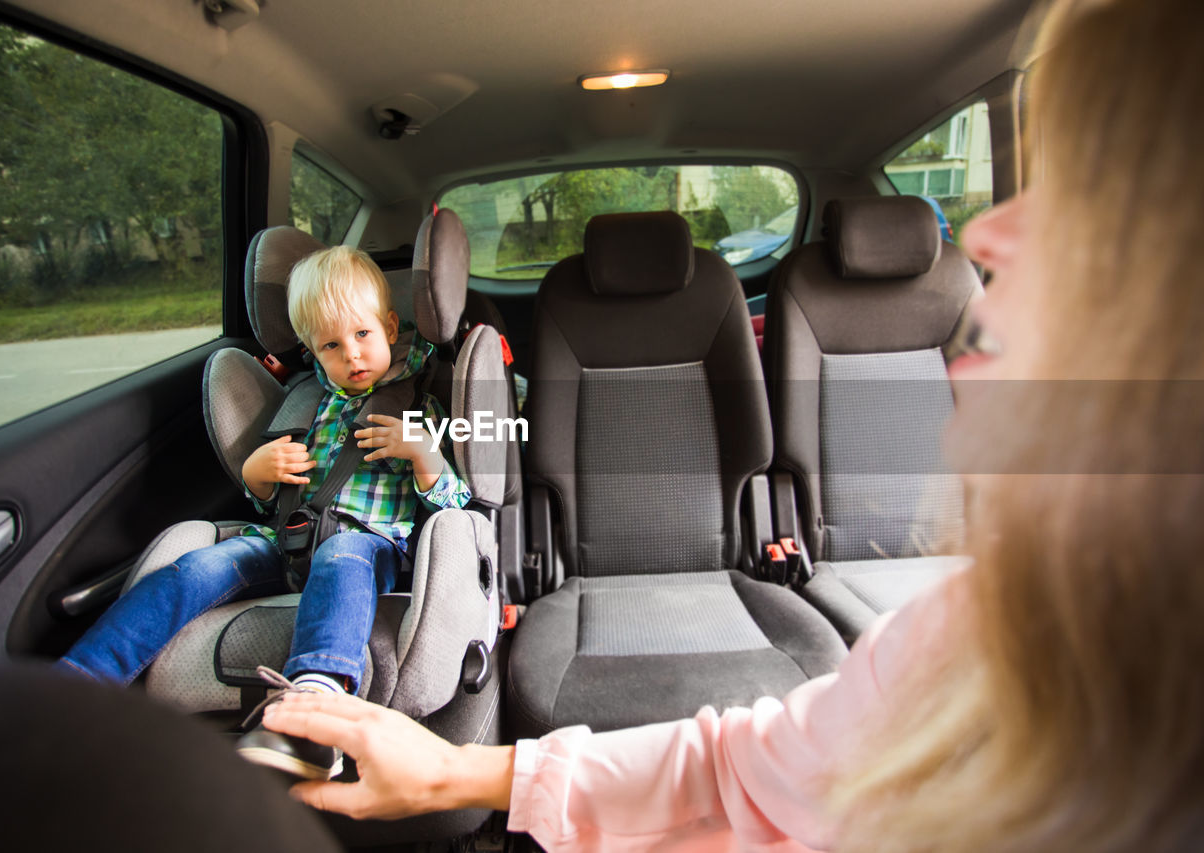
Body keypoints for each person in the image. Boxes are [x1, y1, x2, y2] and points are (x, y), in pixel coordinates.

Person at [258, 0, 1204, 849]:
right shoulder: (994, 631)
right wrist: (463, 775)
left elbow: (475, 469)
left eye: (1095, 182)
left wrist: (433, 458)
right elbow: (754, 768)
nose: (985, 237)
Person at [58, 245, 471, 781]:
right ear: (313, 352)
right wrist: (258, 472)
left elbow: (456, 504)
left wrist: (424, 455)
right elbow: (272, 502)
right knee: (198, 568)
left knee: (343, 552)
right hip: (285, 540)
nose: (352, 355)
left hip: (371, 544)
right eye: (332, 344)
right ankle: (77, 682)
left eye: (363, 334)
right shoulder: (304, 404)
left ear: (390, 327)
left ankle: (317, 704)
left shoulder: (419, 406)